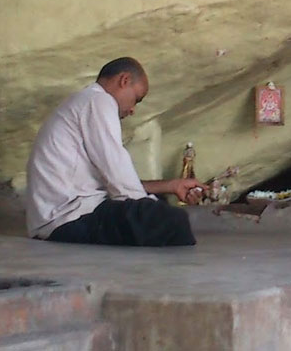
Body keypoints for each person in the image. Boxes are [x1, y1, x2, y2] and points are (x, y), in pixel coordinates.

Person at [25, 57, 202, 246]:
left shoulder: (85, 101)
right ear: (124, 80)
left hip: (61, 218)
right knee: (174, 220)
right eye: (136, 99)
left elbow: (111, 181)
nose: (133, 109)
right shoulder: (99, 100)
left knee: (159, 208)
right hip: (68, 219)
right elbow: (116, 168)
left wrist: (171, 186)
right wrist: (144, 208)